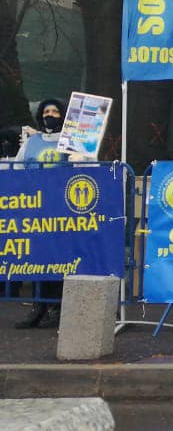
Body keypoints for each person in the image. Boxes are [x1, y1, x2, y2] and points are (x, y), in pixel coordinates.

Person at [12, 98, 93, 329]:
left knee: (60, 260)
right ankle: (39, 306)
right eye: (46, 111)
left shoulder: (72, 141)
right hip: (35, 209)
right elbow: (17, 169)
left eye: (55, 111)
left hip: (62, 210)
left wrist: (82, 158)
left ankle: (57, 306)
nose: (50, 114)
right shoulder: (31, 142)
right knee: (38, 259)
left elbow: (86, 167)